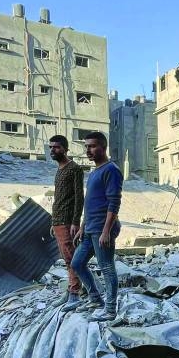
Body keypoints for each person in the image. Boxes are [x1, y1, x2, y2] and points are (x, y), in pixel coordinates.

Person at [70, 131, 123, 321]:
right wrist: (83, 227)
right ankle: (95, 298)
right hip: (90, 228)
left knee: (107, 267)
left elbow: (114, 202)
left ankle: (110, 310)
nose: (88, 150)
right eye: (86, 147)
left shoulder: (111, 170)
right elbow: (90, 203)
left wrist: (106, 231)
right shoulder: (94, 172)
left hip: (102, 229)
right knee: (77, 263)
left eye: (92, 146)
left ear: (103, 147)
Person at [48, 135, 84, 310]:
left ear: (65, 148)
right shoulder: (60, 169)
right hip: (58, 221)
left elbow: (79, 197)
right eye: (50, 147)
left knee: (71, 258)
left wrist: (75, 222)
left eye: (56, 147)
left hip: (68, 221)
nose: (52, 150)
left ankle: (75, 293)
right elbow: (59, 198)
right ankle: (71, 289)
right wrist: (53, 222)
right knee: (66, 258)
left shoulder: (74, 169)